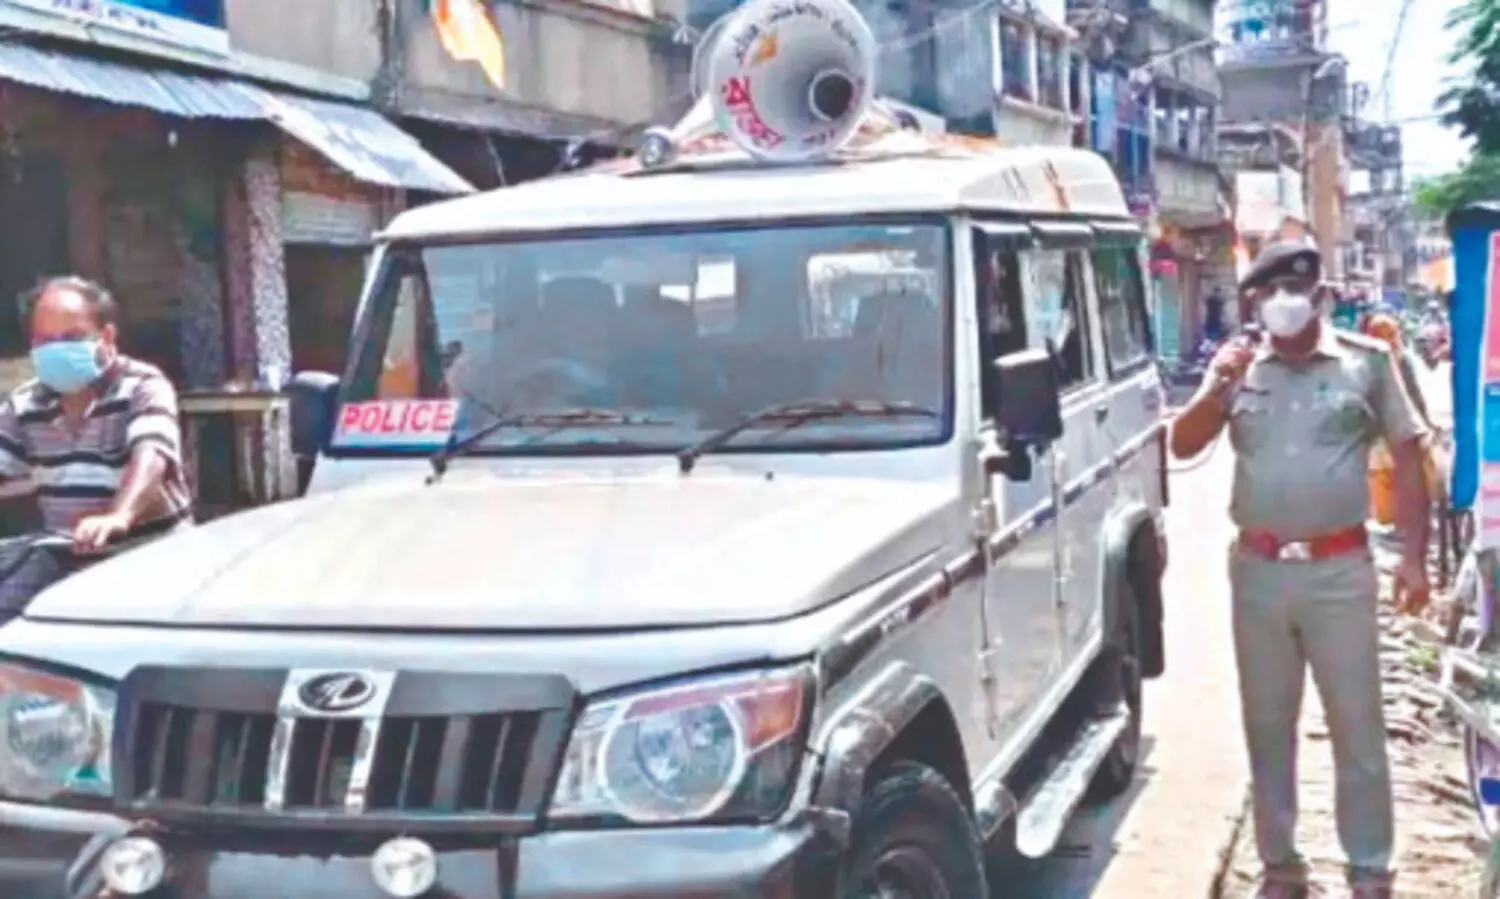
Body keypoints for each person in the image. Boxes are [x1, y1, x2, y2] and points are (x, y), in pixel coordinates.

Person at [1169, 242, 1430, 899]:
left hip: (1339, 570)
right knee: (1267, 723)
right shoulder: (1236, 369)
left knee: (1357, 724)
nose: (1284, 302)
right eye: (1271, 292)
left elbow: (1407, 453)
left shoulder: (1366, 363)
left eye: (1297, 291)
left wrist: (1415, 559)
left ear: (1320, 298)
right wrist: (1218, 387)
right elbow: (1184, 442)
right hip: (1258, 571)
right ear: (1256, 301)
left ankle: (1369, 868)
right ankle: (1281, 866)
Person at [0, 276, 193, 609]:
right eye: (46, 341)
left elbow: (152, 456)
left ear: (107, 336)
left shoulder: (142, 386)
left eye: (71, 338)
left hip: (149, 553)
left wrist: (119, 516)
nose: (58, 350)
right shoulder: (25, 404)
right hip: (64, 553)